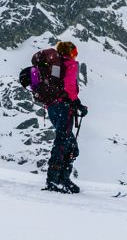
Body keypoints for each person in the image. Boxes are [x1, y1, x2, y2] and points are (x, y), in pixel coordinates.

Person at [36, 40, 88, 193]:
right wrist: (78, 104)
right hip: (65, 107)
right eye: (75, 52)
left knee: (69, 145)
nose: (75, 55)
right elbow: (70, 87)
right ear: (71, 52)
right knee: (63, 143)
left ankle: (62, 179)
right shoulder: (70, 65)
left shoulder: (54, 66)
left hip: (52, 107)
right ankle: (54, 181)